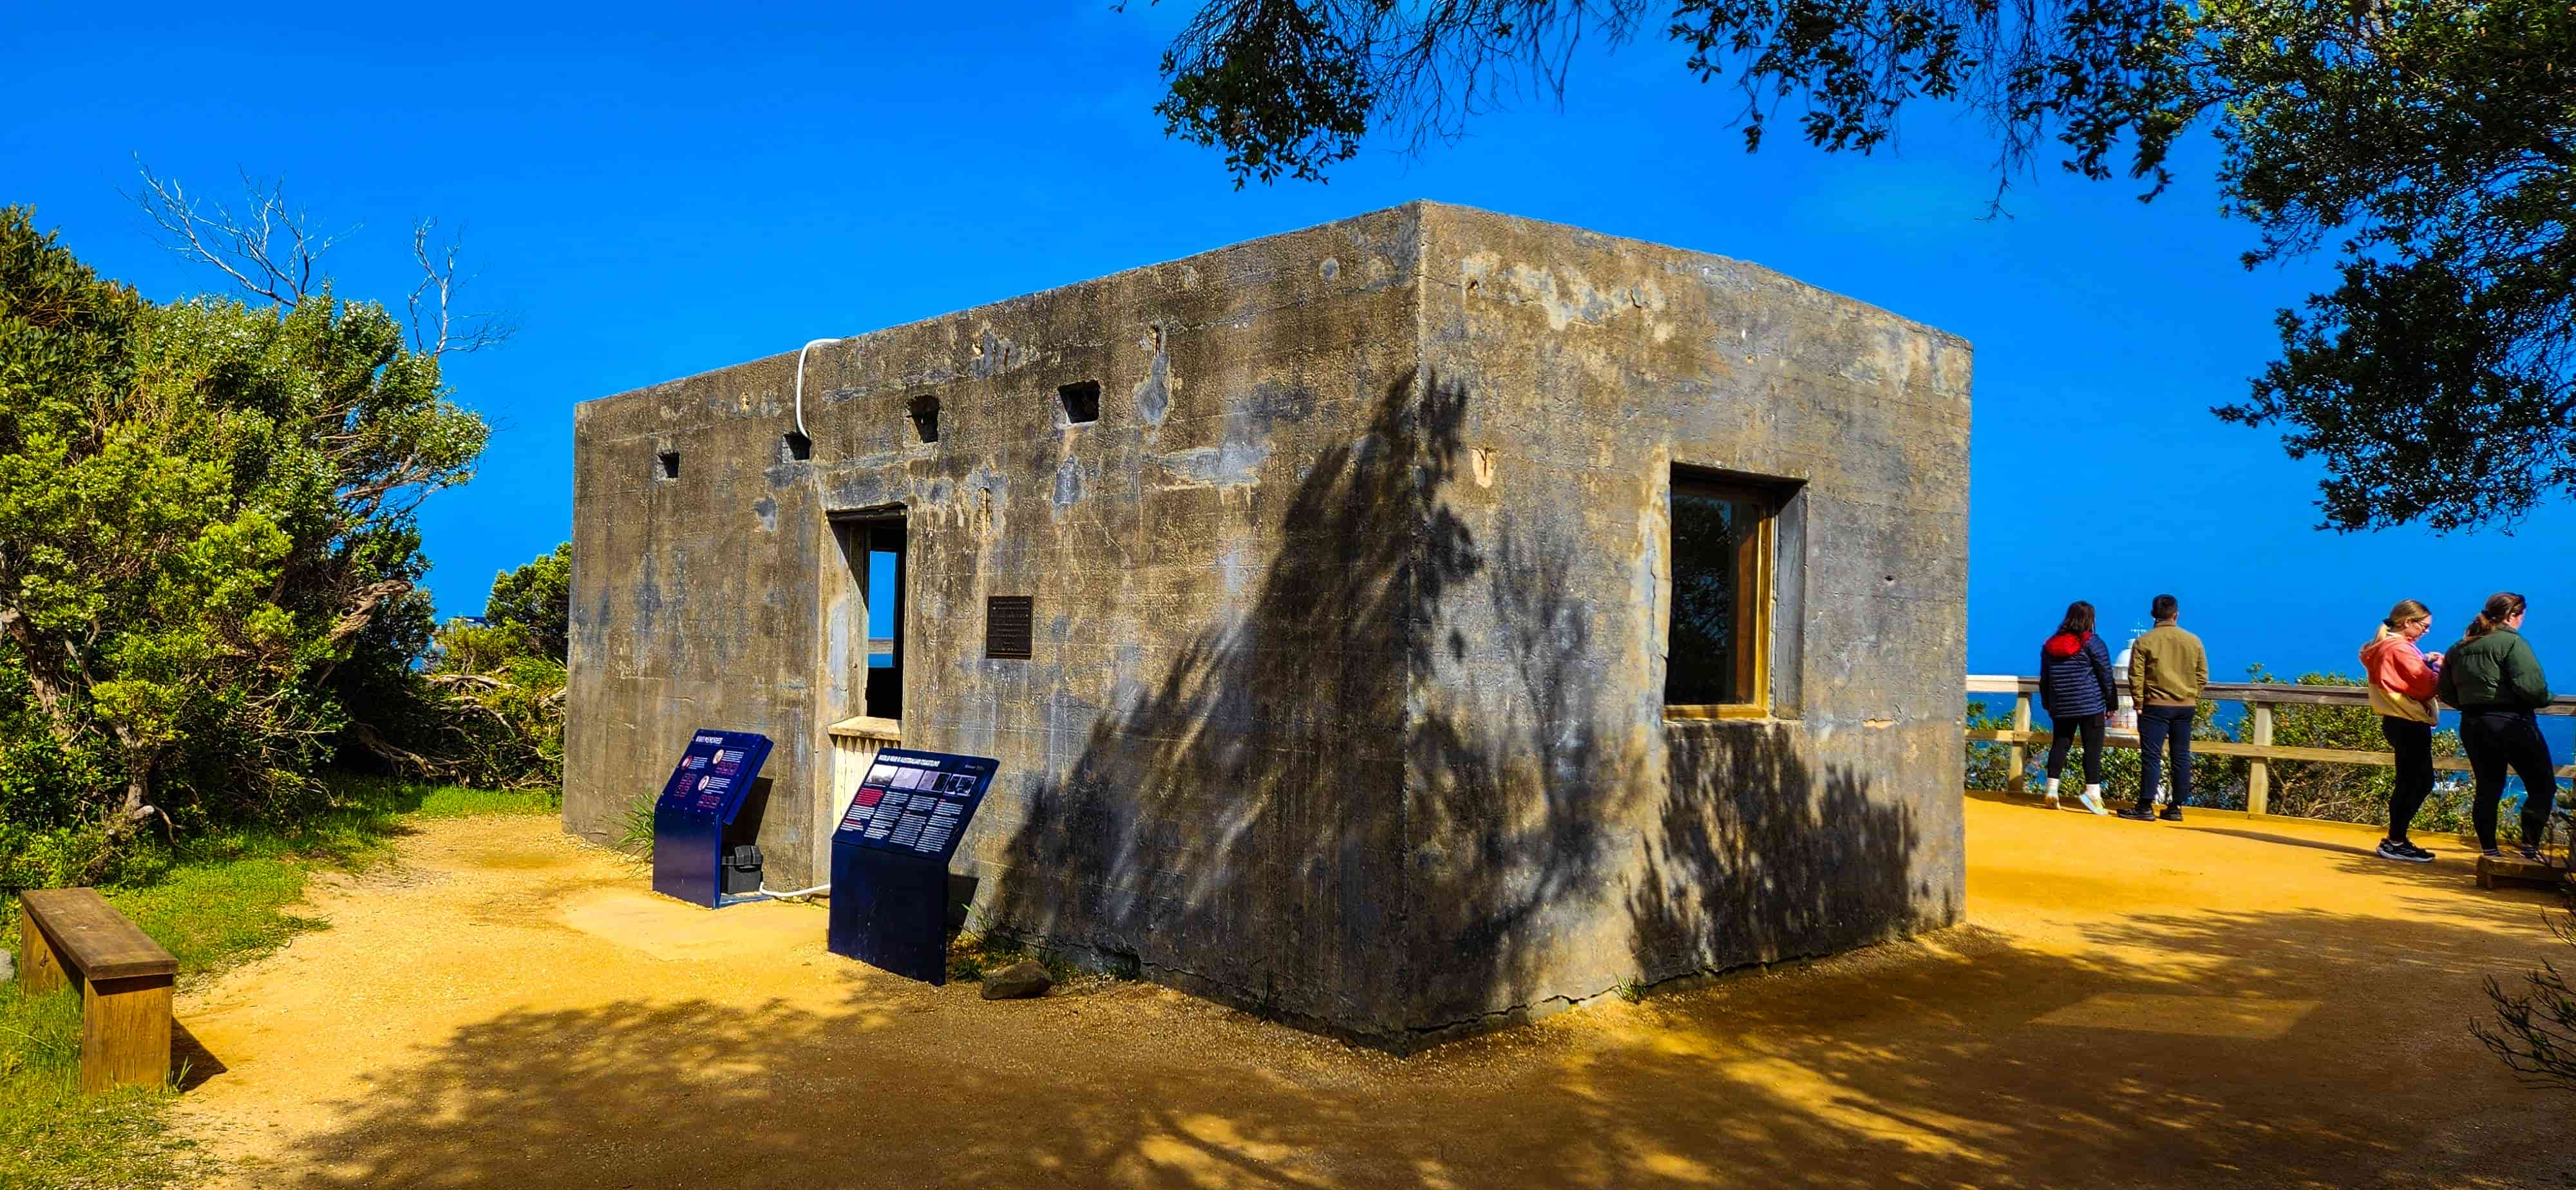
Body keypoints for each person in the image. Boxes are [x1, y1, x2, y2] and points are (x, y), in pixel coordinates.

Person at [2435, 592, 2559, 862]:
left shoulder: (2459, 647)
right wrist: (2545, 699)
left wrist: (2471, 706)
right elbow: (2533, 687)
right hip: (2512, 723)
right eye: (2523, 616)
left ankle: (2489, 851)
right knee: (2542, 786)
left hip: (2473, 724)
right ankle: (2529, 848)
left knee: (2488, 788)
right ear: (2513, 616)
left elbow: (2445, 691)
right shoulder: (2513, 644)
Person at [2361, 600, 2444, 862]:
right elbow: (2425, 687)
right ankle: (2395, 841)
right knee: (2417, 782)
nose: (2426, 631)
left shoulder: (2385, 645)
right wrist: (2440, 668)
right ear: (2408, 622)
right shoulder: (2399, 649)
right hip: (2408, 720)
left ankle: (2396, 839)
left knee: (2410, 782)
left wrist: (2425, 661)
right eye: (2424, 626)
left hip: (2396, 721)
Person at [2121, 594, 2208, 822]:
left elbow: (2136, 675)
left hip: (2155, 706)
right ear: (2176, 614)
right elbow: (2202, 675)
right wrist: (2193, 696)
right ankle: (2176, 806)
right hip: (2185, 706)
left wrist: (2138, 702)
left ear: (2153, 614)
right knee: (2181, 755)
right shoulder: (2194, 641)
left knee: (2151, 756)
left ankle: (2145, 806)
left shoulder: (2144, 642)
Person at [2038, 600, 2118, 814]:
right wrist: (2111, 704)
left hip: (2062, 705)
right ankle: (2093, 794)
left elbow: (2045, 678)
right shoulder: (2092, 643)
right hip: (2090, 705)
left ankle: (2051, 790)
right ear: (2090, 619)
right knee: (2092, 750)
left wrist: (2048, 702)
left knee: (2060, 745)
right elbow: (2106, 675)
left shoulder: (2050, 645)